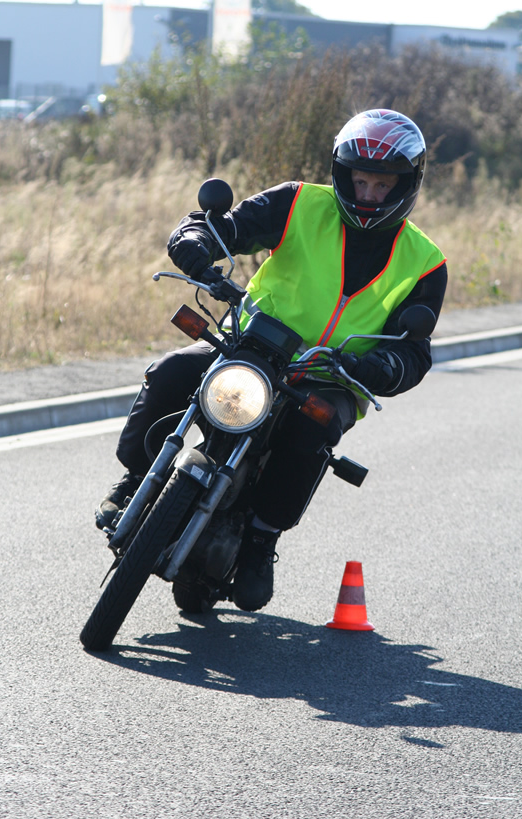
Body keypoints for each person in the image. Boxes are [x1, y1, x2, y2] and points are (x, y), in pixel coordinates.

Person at [96, 108, 447, 612]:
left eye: (382, 184)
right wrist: (197, 243)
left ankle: (261, 538)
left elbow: (414, 350)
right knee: (171, 371)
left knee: (313, 430)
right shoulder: (298, 202)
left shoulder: (425, 261)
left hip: (331, 375)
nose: (368, 194)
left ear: (406, 184)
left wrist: (380, 366)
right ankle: (135, 478)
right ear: (342, 173)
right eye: (360, 180)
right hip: (252, 345)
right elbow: (224, 227)